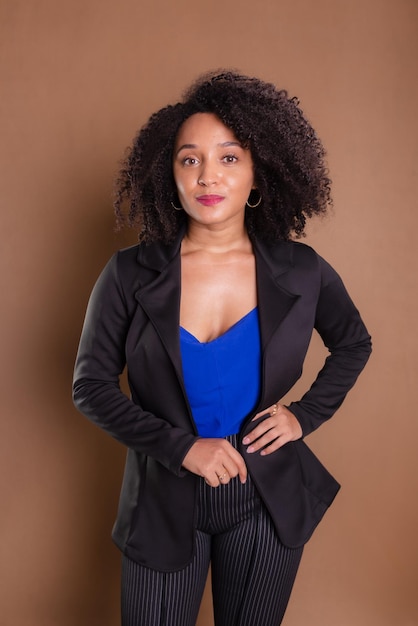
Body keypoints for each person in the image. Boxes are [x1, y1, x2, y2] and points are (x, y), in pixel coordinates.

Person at [73, 70, 372, 626]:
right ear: (171, 174)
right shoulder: (127, 274)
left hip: (267, 497)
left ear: (259, 175)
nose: (208, 175)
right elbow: (89, 387)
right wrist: (183, 448)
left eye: (229, 158)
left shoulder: (302, 271)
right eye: (190, 159)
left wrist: (302, 417)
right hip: (163, 495)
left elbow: (353, 342)